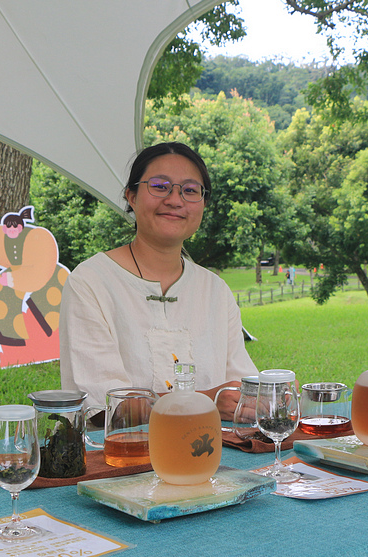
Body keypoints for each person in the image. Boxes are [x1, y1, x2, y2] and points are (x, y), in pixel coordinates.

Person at [59, 142, 258, 419]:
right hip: (122, 456)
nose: (175, 200)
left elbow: (241, 388)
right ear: (132, 196)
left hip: (209, 454)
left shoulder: (215, 290)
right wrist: (208, 400)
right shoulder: (91, 282)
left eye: (190, 191)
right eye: (159, 186)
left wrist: (265, 397)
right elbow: (103, 408)